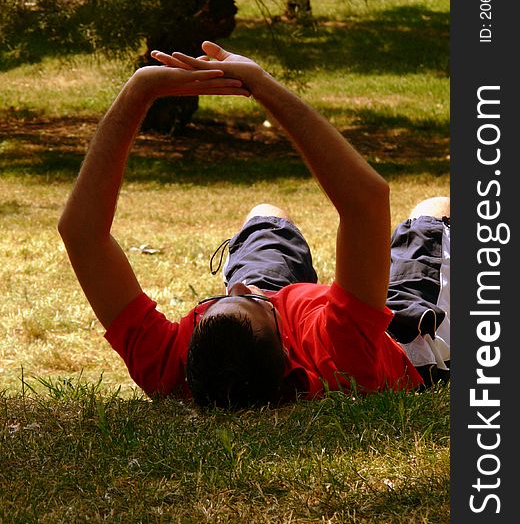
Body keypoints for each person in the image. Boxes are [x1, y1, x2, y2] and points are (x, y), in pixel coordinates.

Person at [58, 41, 448, 409]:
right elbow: (367, 201)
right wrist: (261, 84)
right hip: (393, 334)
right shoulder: (342, 353)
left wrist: (137, 91)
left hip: (273, 321)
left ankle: (258, 298)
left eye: (214, 300)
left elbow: (82, 234)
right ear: (286, 352)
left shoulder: (171, 364)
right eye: (250, 297)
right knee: (433, 209)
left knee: (266, 214)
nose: (242, 285)